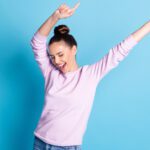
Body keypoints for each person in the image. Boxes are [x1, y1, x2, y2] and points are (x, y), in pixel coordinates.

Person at [30, 1, 150, 150]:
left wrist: (148, 26)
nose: (56, 61)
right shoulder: (50, 73)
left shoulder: (90, 75)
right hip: (40, 142)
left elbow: (120, 51)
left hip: (67, 147)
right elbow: (37, 42)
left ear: (74, 49)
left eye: (60, 55)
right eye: (52, 57)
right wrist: (55, 17)